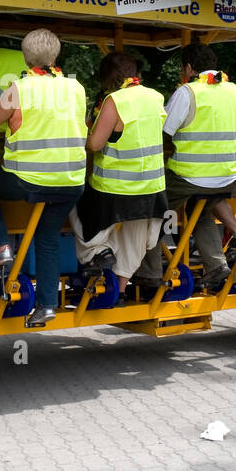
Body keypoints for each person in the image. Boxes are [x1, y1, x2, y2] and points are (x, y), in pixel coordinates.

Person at [0, 29, 86, 327]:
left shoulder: (19, 88)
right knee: (47, 238)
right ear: (56, 56)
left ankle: (0, 246)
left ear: (25, 58)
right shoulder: (76, 88)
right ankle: (47, 305)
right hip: (71, 182)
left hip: (28, 179)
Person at [137, 42, 236, 293]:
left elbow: (164, 132)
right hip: (228, 177)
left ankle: (150, 273)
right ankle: (216, 264)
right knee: (201, 208)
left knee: (151, 206)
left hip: (191, 176)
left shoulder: (187, 92)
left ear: (188, 68)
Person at [69, 52, 168, 293]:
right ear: (137, 74)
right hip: (152, 190)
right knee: (133, 239)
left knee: (72, 205)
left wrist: (80, 130)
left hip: (114, 190)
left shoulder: (114, 101)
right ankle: (120, 291)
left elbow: (95, 144)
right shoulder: (156, 97)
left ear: (107, 80)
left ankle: (98, 253)